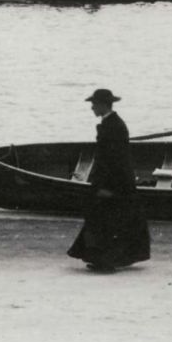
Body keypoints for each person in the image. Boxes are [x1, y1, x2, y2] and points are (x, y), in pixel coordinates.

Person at [66, 89, 150, 272]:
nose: (92, 108)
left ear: (103, 105)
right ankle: (104, 259)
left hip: (113, 182)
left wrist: (105, 186)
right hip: (116, 181)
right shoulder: (112, 123)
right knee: (110, 219)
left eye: (94, 104)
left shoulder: (113, 126)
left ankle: (105, 261)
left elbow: (113, 160)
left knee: (105, 219)